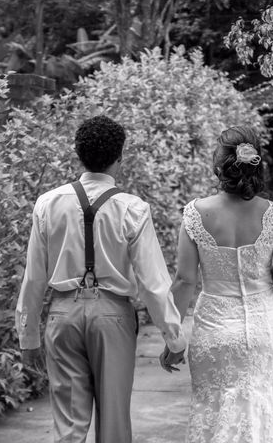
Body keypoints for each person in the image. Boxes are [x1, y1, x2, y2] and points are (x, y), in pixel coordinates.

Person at [15, 115, 186, 443]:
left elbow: (34, 277)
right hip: (113, 317)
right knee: (114, 426)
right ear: (119, 157)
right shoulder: (132, 208)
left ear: (77, 154)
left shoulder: (47, 204)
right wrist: (174, 338)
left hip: (62, 315)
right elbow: (153, 282)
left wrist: (28, 336)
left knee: (69, 427)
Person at [161, 125, 273, 442]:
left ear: (218, 166)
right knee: (266, 410)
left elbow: (184, 281)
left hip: (214, 330)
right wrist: (262, 274)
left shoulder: (195, 214)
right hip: (265, 328)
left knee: (213, 411)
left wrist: (172, 340)